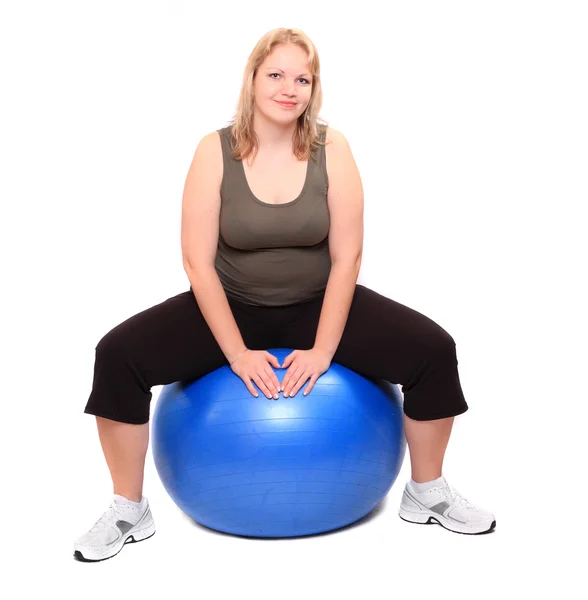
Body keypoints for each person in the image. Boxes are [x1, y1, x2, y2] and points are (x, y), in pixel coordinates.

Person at [74, 27, 496, 562]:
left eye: (303, 78)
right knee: (118, 356)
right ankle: (128, 508)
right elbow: (196, 264)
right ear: (252, 79)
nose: (289, 88)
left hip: (319, 302)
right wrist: (236, 353)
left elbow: (348, 258)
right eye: (276, 74)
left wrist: (323, 350)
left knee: (434, 351)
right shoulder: (215, 150)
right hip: (229, 305)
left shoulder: (330, 146)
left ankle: (426, 492)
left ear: (313, 88)